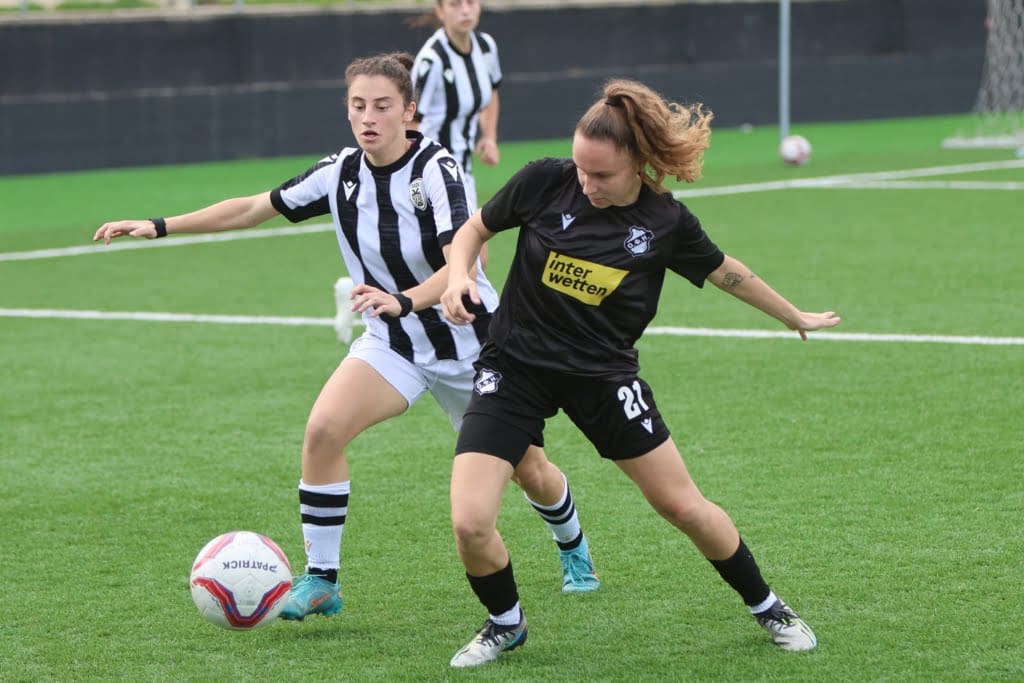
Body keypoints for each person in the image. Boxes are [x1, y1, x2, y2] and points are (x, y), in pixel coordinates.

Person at [93, 52, 599, 623]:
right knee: (323, 431)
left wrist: (403, 299)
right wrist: (160, 225)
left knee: (528, 468)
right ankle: (322, 579)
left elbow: (461, 263)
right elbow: (253, 208)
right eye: (358, 106)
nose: (368, 117)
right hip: (393, 342)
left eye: (382, 106)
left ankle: (573, 546)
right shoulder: (340, 172)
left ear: (408, 111)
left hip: (472, 346)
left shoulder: (437, 170)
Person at [439, 78, 841, 668]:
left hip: (603, 377)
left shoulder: (664, 221)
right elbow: (474, 229)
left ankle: (769, 606)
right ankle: (505, 623)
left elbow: (725, 271)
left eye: (601, 175)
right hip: (514, 367)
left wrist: (791, 315)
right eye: (581, 169)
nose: (586, 183)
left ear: (638, 164)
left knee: (683, 506)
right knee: (470, 523)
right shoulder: (544, 179)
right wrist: (458, 276)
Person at [411, 0, 501, 215]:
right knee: (466, 233)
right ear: (440, 12)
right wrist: (413, 174)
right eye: (455, 4)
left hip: (463, 168)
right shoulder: (432, 60)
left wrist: (489, 137)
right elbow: (410, 119)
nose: (465, 10)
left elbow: (491, 92)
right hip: (432, 169)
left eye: (471, 2)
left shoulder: (486, 46)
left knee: (472, 232)